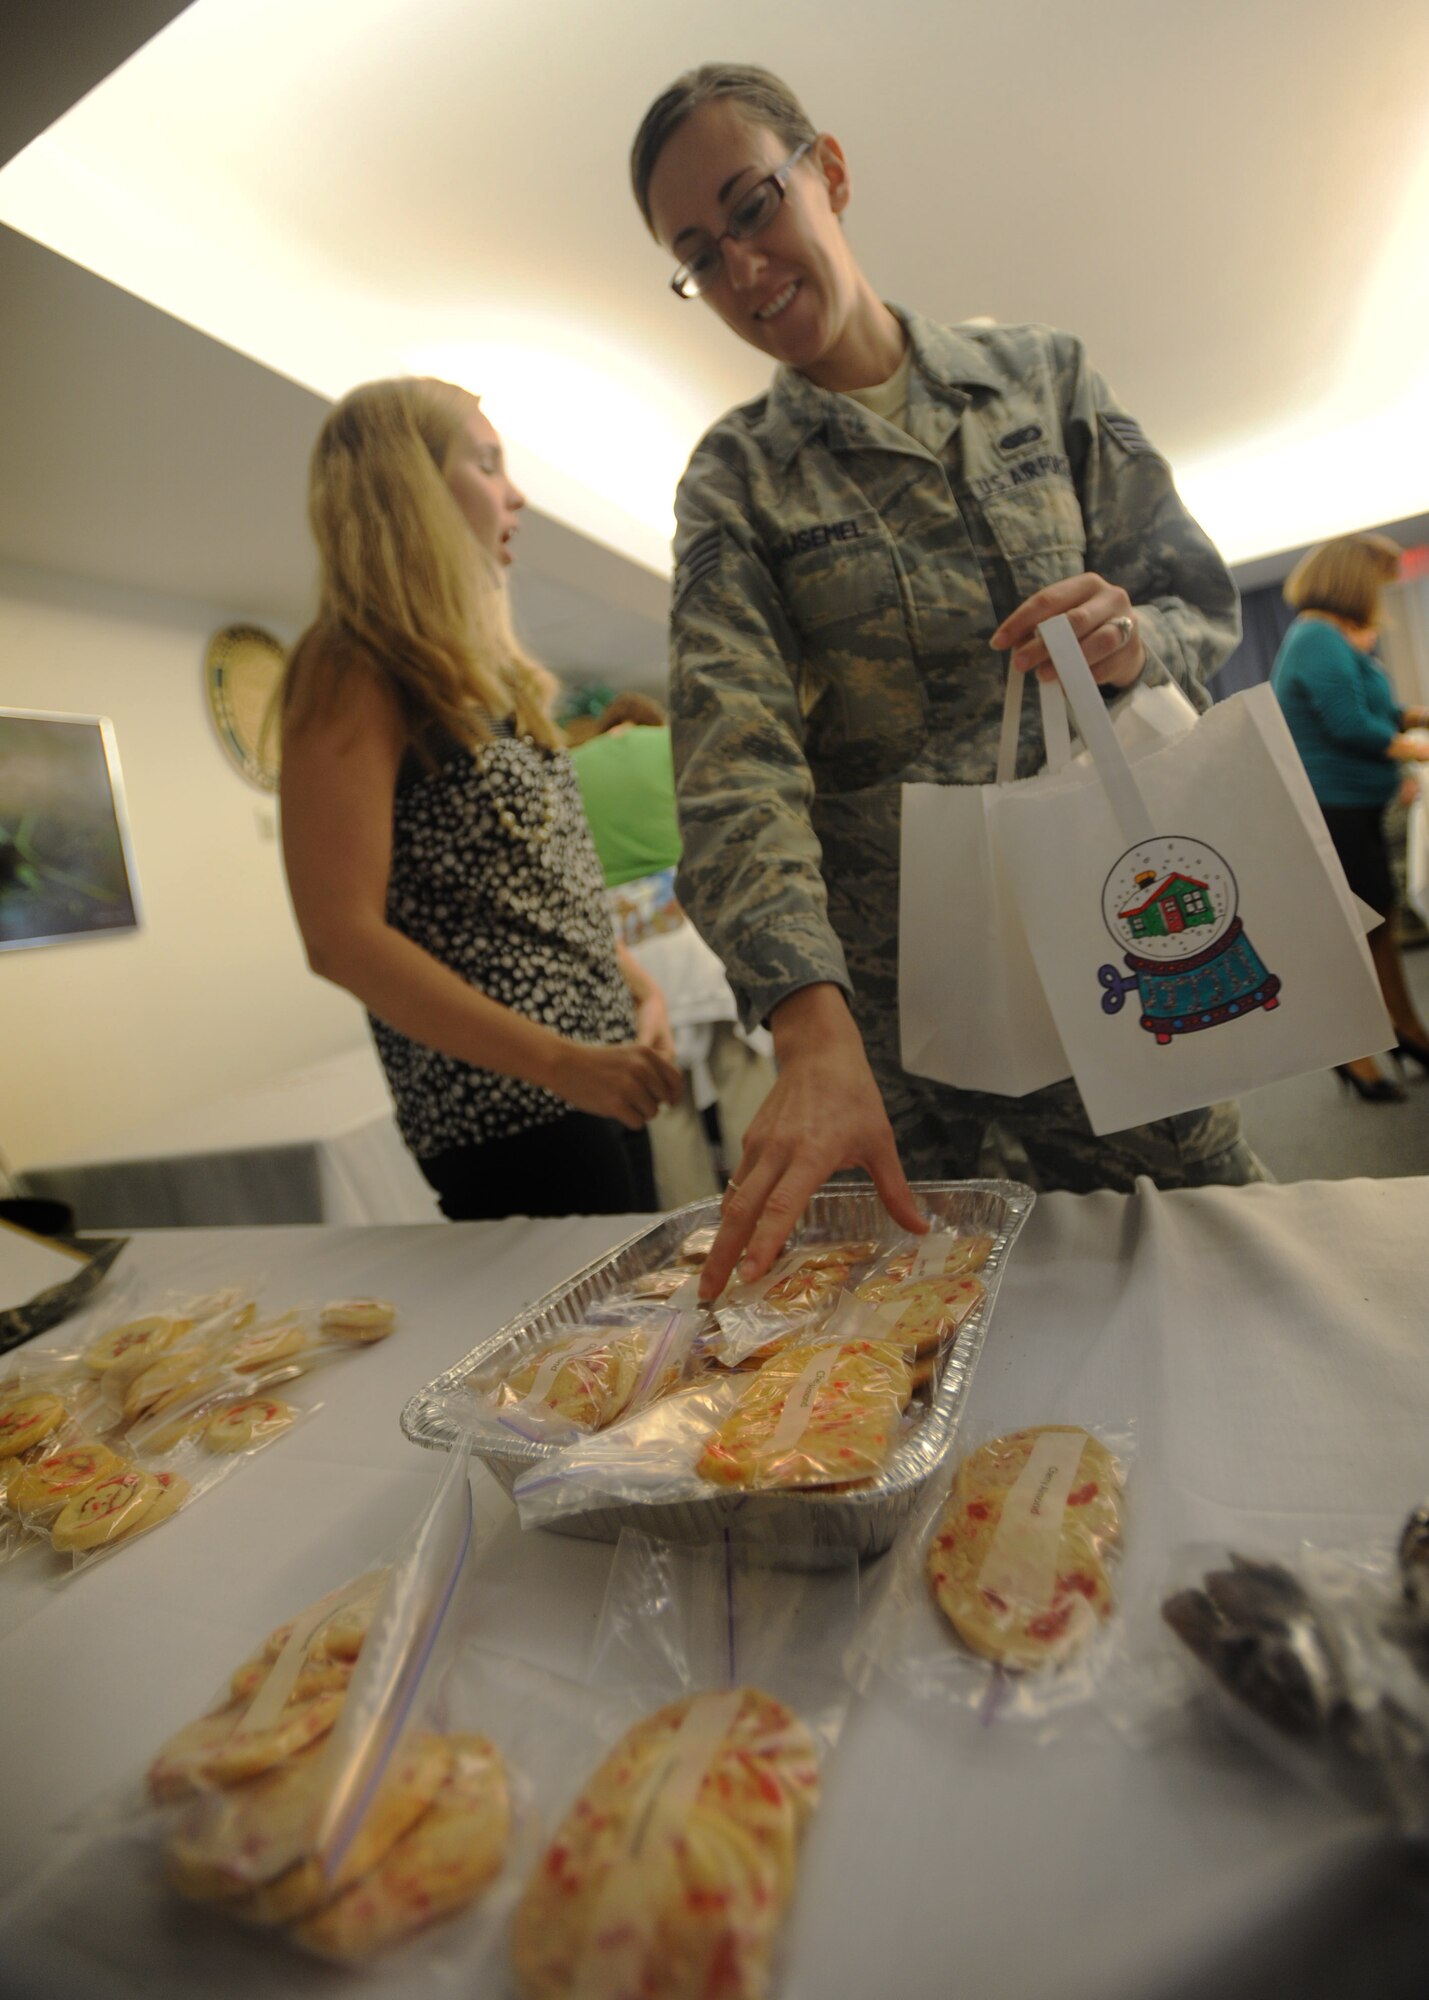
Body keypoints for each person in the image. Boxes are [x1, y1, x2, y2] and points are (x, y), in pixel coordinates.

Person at [629, 62, 1266, 1298]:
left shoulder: (1041, 377)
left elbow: (1198, 601)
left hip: (1124, 953)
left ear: (832, 173)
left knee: (1219, 1274)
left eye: (752, 206)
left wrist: (1136, 638)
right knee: (927, 1326)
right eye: (698, 253)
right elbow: (732, 758)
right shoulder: (738, 479)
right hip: (895, 1025)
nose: (742, 268)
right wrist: (807, 1025)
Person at [278, 378, 682, 1221]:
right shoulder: (352, 663)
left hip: (595, 1077)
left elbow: (529, 893)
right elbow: (340, 939)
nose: (516, 493)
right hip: (512, 1115)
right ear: (413, 487)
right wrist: (561, 1062)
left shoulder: (477, 677)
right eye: (489, 464)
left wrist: (634, 987)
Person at [570, 692, 777, 1204]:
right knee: (742, 1076)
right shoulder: (670, 741)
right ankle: (775, 1211)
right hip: (694, 934)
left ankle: (698, 1236)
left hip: (627, 954)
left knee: (664, 1103)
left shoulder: (572, 766)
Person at [1271, 533, 1429, 1102]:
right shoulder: (1316, 636)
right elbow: (1349, 725)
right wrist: (1415, 750)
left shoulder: (1330, 638)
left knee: (1377, 919)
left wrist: (1415, 718)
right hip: (1330, 804)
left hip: (1352, 805)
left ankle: (1403, 1028)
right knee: (1356, 931)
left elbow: (1377, 709)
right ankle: (1360, 1052)